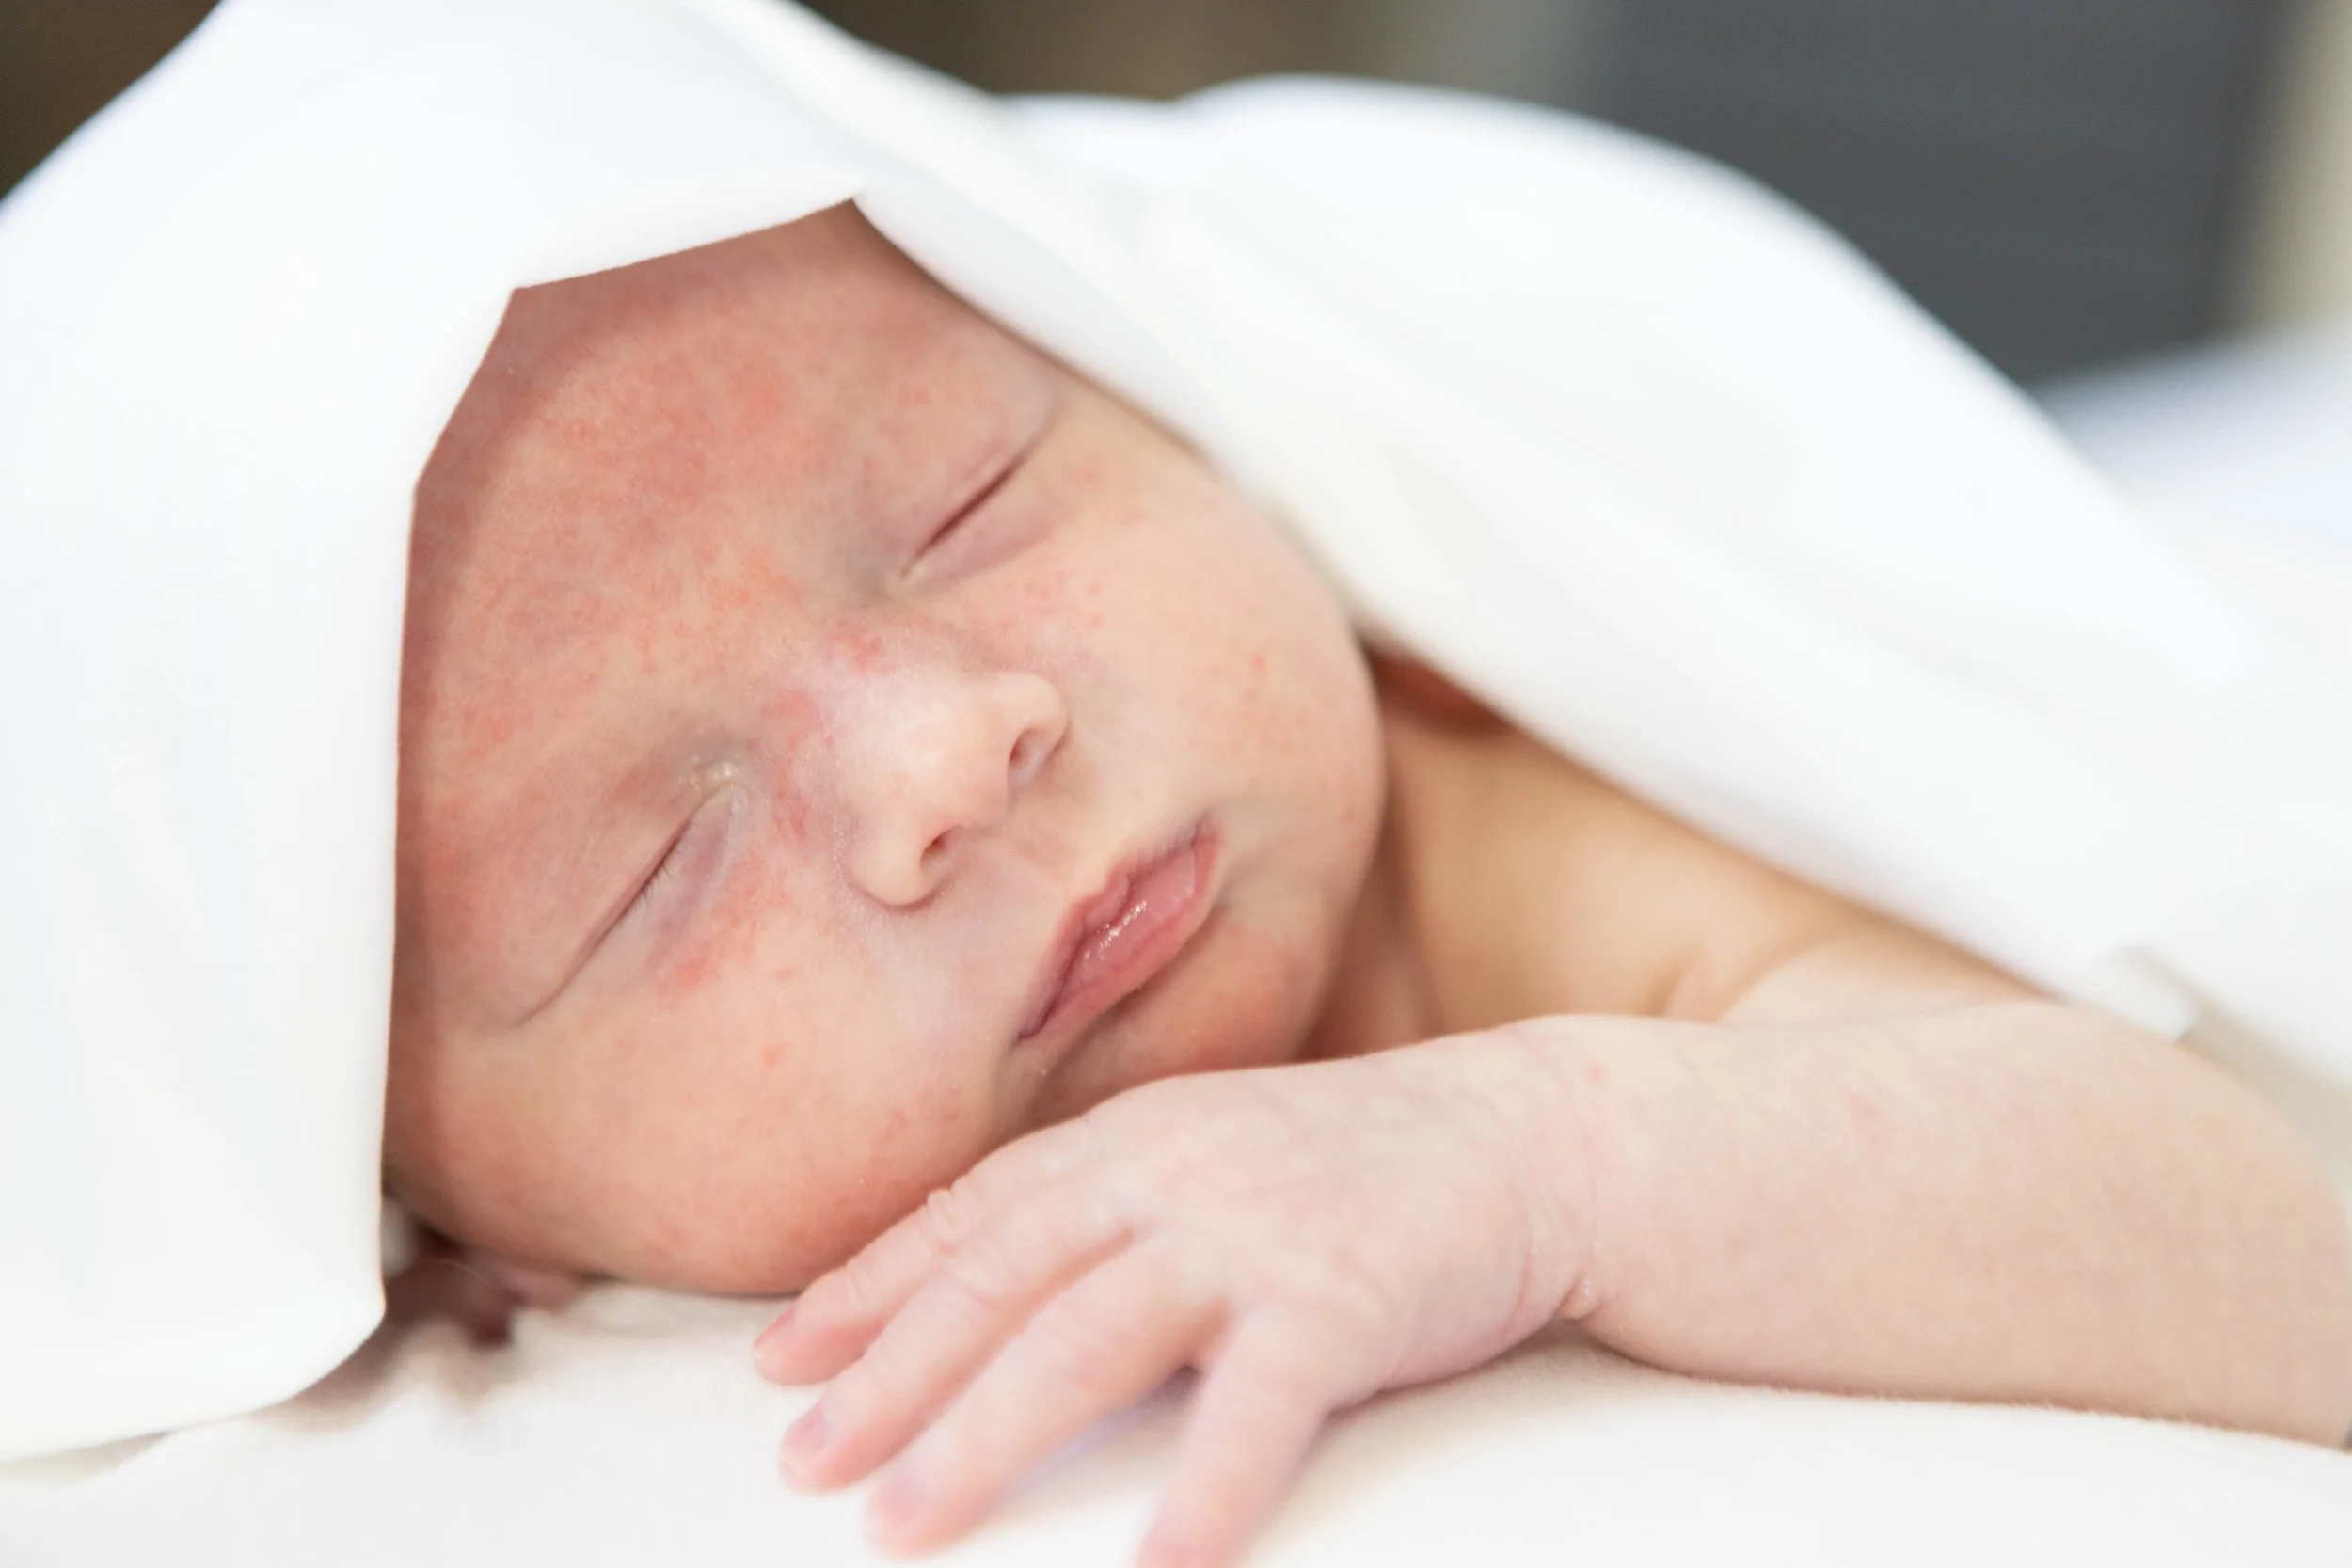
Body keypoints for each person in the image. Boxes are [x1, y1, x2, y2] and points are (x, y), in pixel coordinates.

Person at [386, 201, 2352, 1568]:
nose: (948, 750)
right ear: (465, 1223)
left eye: (962, 505)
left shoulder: (1509, 821)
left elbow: (2274, 1241)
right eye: (660, 860)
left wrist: (1528, 1150)